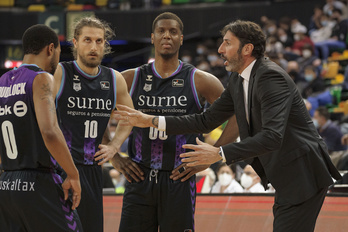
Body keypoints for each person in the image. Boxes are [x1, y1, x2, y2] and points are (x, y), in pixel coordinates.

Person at [115, 19, 342, 232]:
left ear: (246, 49)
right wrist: (151, 121)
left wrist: (219, 153)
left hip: (303, 173)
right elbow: (205, 120)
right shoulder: (238, 78)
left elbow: (272, 136)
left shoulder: (271, 77)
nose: (221, 49)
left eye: (227, 43)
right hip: (286, 174)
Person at [110, 12, 228, 232]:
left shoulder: (200, 80)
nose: (167, 36)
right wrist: (115, 157)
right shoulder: (129, 78)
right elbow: (94, 114)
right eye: (161, 31)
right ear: (152, 37)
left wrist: (214, 154)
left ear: (181, 39)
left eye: (173, 31)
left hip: (179, 179)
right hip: (139, 176)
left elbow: (237, 115)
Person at [53, 17, 134, 232]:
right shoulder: (60, 73)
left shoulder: (114, 79)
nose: (94, 46)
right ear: (75, 42)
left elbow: (130, 117)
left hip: (92, 169)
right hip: (61, 167)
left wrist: (115, 146)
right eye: (87, 40)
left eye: (99, 41)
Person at [0, 24, 83, 231]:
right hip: (39, 181)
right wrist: (73, 174)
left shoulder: (2, 82)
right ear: (50, 49)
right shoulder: (41, 78)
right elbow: (49, 131)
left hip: (7, 182)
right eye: (59, 53)